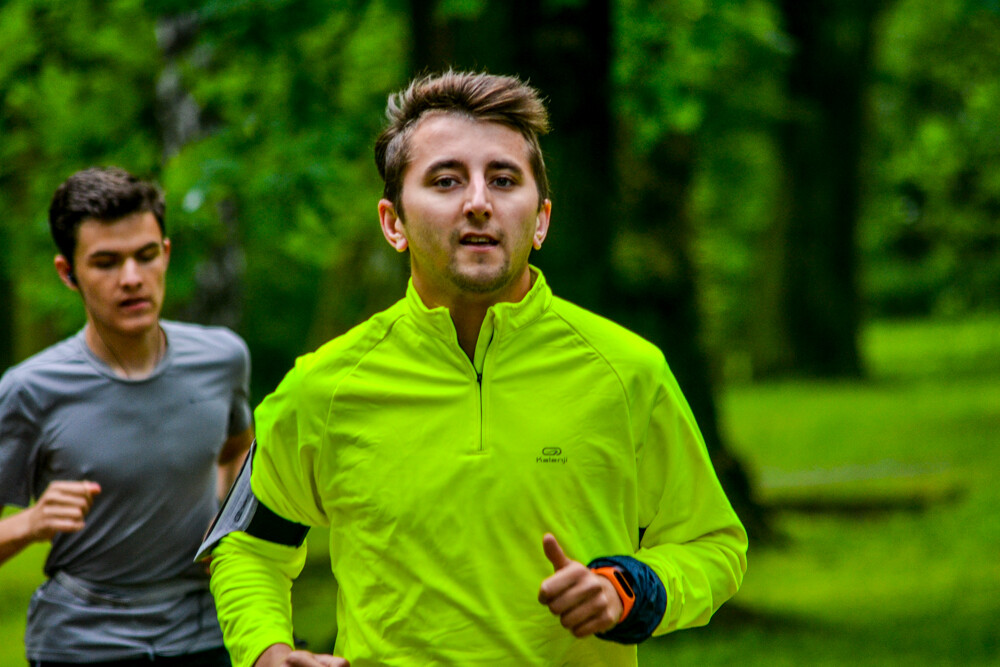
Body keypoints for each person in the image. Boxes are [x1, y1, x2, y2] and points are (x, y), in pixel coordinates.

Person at [202, 71, 747, 667]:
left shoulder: (630, 371)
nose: (479, 202)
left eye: (504, 179)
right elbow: (249, 544)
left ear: (540, 219)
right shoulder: (323, 387)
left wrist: (628, 591)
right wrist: (265, 649)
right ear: (393, 223)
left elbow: (712, 546)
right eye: (446, 180)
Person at [0, 167, 254, 666]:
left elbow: (238, 450)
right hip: (82, 643)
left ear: (167, 253)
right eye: (105, 262)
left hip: (203, 634)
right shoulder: (29, 389)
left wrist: (226, 518)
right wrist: (30, 522)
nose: (132, 278)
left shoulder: (222, 358)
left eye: (145, 255)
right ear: (67, 273)